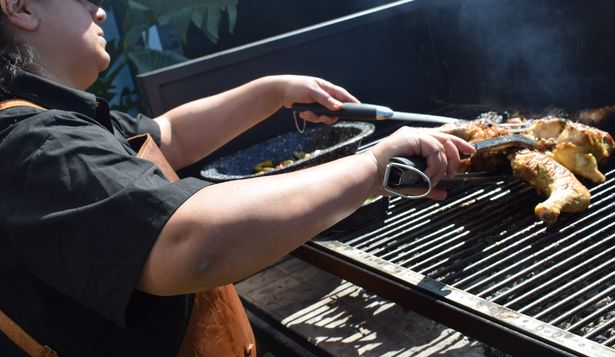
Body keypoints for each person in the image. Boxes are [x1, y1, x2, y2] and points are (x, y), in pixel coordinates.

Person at [0, 0, 475, 356]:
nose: (99, 10)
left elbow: (169, 136)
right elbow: (190, 243)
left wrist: (272, 92)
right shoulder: (31, 143)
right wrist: (374, 166)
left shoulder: (56, 119)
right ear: (19, 6)